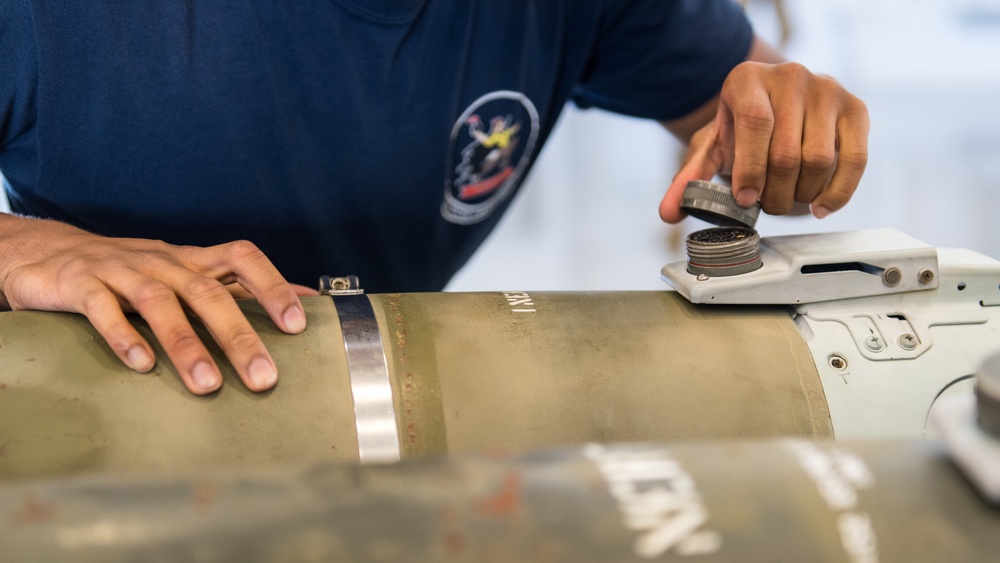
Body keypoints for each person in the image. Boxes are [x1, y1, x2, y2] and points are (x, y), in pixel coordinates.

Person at [0, 1, 868, 396]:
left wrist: (785, 122)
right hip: (107, 415)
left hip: (392, 418)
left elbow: (736, 105)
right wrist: (22, 246)